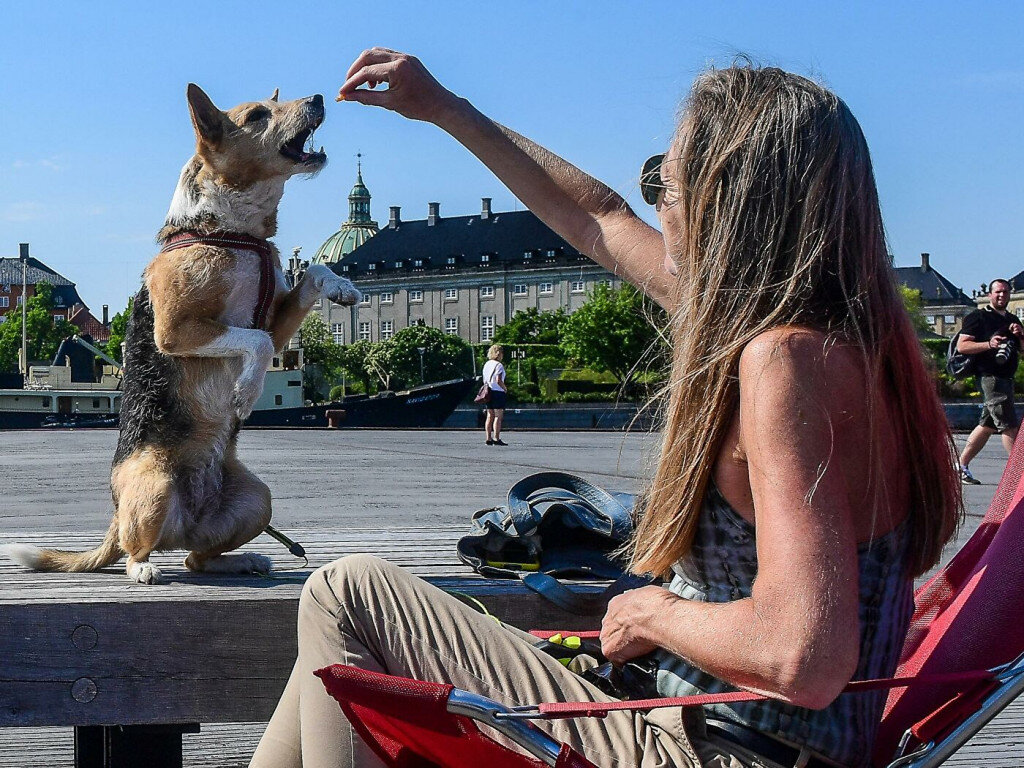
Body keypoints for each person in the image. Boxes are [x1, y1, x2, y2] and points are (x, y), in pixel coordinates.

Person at [250, 50, 961, 768]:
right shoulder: (853, 347)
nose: (653, 201)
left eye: (665, 179)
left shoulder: (785, 361)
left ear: (726, 203)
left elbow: (803, 657)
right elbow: (595, 215)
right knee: (328, 665)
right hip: (697, 725)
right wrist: (443, 107)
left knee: (344, 594)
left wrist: (658, 612)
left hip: (714, 749)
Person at [956, 279, 1023, 485]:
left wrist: (1020, 336)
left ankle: (960, 466)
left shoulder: (1013, 320)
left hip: (1006, 378)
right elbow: (962, 346)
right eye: (997, 292)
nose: (1001, 296)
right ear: (990, 295)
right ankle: (1019, 475)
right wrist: (989, 344)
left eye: (1005, 292)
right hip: (990, 378)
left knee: (986, 425)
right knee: (1009, 426)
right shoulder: (978, 317)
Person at [481, 343, 508, 445]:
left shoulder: (487, 364)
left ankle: (488, 438)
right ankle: (496, 438)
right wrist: (505, 388)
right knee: (498, 416)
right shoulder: (499, 365)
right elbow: (498, 380)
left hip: (488, 392)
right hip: (498, 392)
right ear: (498, 353)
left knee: (489, 415)